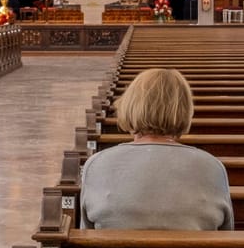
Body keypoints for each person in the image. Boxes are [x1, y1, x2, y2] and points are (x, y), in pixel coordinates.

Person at [79, 68, 233, 231]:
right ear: (184, 110)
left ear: (130, 106)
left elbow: (86, 236)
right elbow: (226, 237)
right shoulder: (212, 167)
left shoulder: (97, 164)